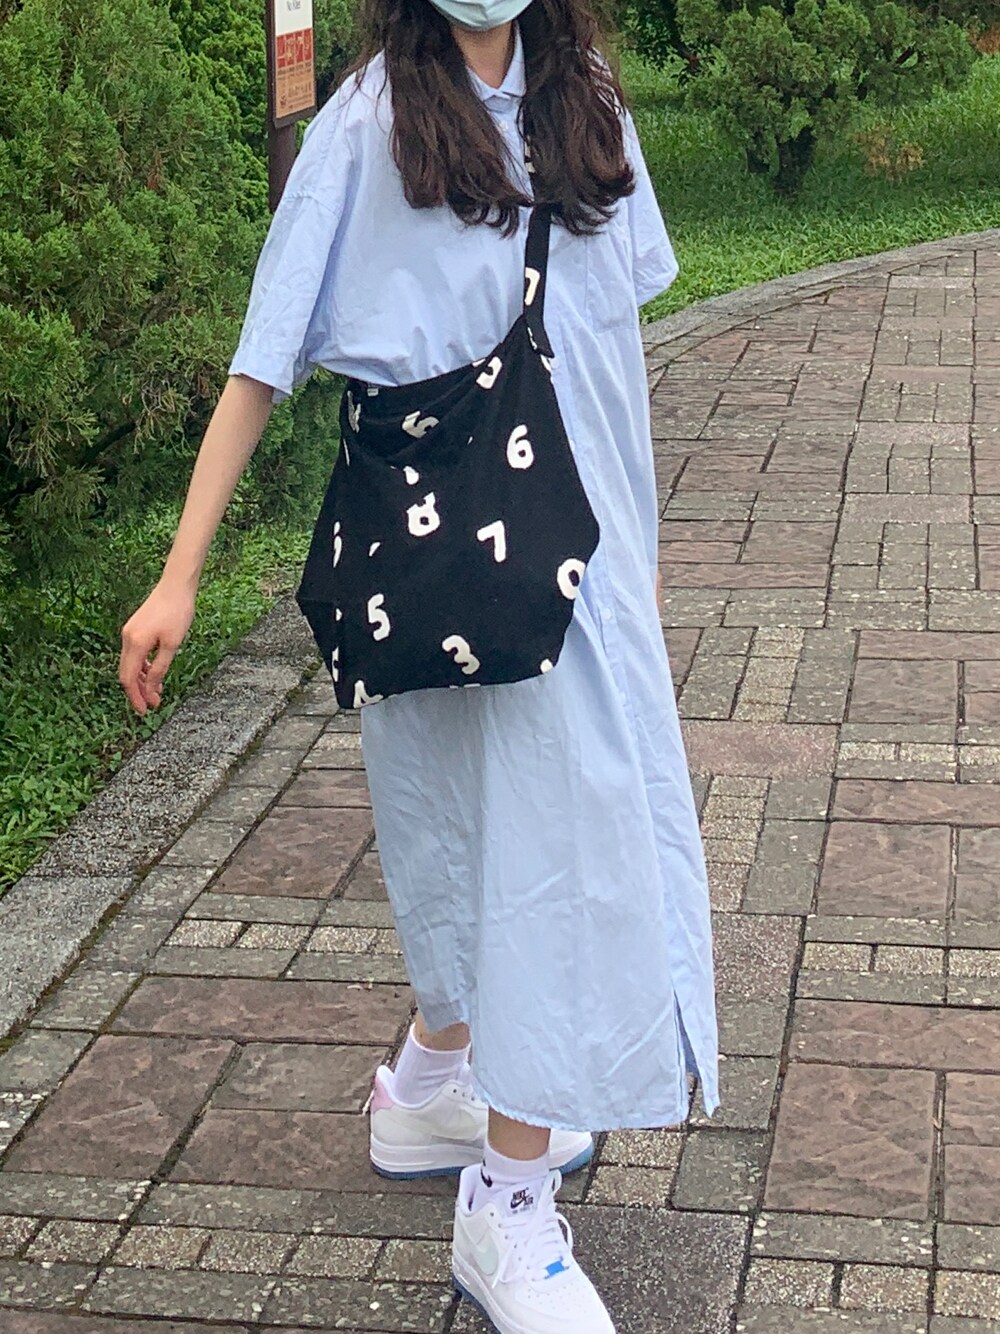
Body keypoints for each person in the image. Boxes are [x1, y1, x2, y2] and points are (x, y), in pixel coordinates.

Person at [118, 0, 720, 1328]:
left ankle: (447, 1102)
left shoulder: (588, 95)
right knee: (475, 839)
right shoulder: (372, 119)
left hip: (581, 555)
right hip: (440, 555)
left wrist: (643, 554)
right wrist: (181, 570)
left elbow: (614, 351)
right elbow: (266, 349)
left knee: (552, 847)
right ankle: (503, 1211)